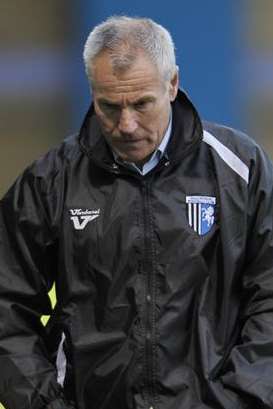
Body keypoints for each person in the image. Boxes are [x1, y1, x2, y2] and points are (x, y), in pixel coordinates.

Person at [1, 15, 273, 409]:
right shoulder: (50, 180)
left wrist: (241, 400)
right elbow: (7, 306)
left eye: (142, 103)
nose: (126, 124)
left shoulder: (240, 169)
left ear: (173, 84)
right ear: (92, 93)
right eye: (109, 106)